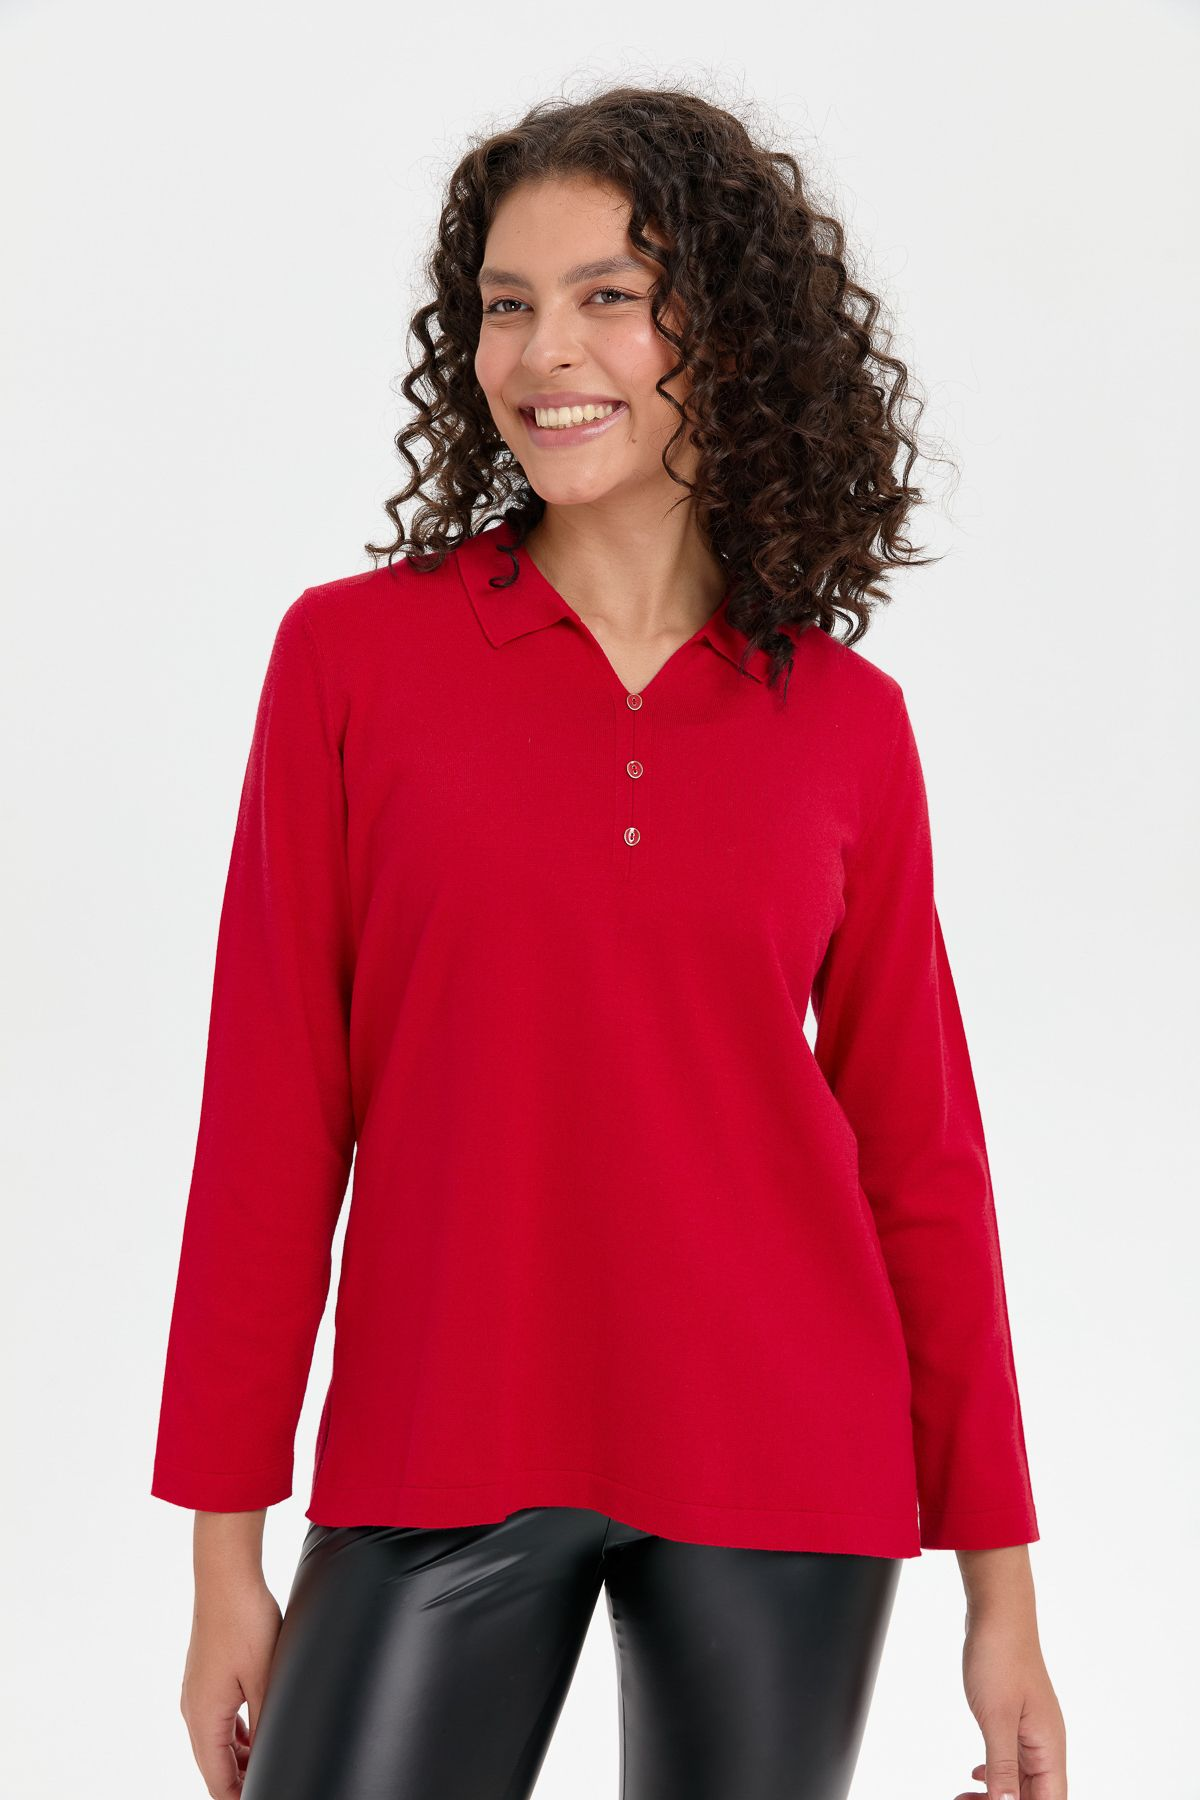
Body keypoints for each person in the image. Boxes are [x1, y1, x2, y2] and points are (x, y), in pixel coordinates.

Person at [151, 83, 1068, 1800]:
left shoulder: (846, 724)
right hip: (439, 1438)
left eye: (610, 296)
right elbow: (269, 1114)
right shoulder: (351, 662)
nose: (545, 351)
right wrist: (224, 1555)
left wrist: (1000, 1599)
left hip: (785, 1464)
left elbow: (923, 1165)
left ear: (727, 332)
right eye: (508, 303)